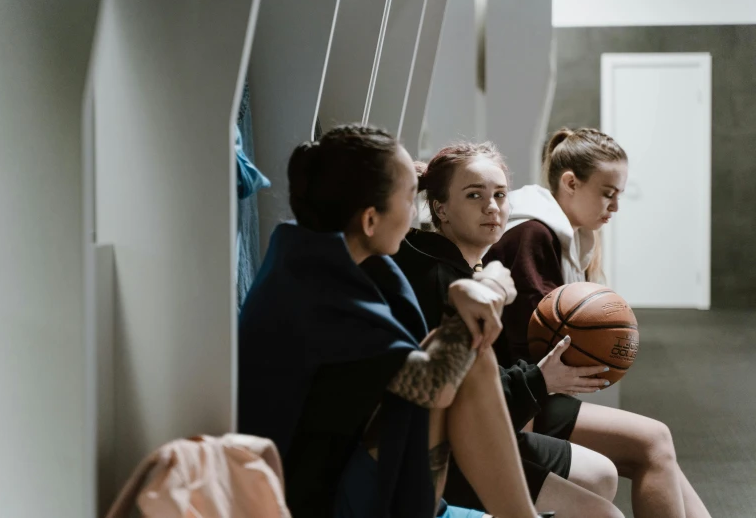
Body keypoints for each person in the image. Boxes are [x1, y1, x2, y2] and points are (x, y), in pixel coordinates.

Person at [238, 124, 540, 518]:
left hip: (346, 469)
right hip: (319, 502)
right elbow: (432, 385)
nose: (417, 215)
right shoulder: (320, 288)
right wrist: (488, 287)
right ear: (369, 221)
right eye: (410, 199)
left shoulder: (310, 252)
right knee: (472, 356)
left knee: (465, 350)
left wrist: (462, 292)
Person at [485, 127, 711, 518]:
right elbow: (538, 344)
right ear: (571, 183)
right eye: (608, 193)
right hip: (514, 398)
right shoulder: (532, 234)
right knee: (654, 441)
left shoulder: (564, 236)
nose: (615, 207)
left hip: (528, 390)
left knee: (657, 445)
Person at [394, 142, 624, 518]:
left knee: (600, 475)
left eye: (500, 194)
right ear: (441, 208)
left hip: (474, 426)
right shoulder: (443, 281)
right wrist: (539, 380)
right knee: (604, 509)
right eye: (474, 195)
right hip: (443, 450)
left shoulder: (469, 270)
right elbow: (463, 397)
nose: (492, 207)